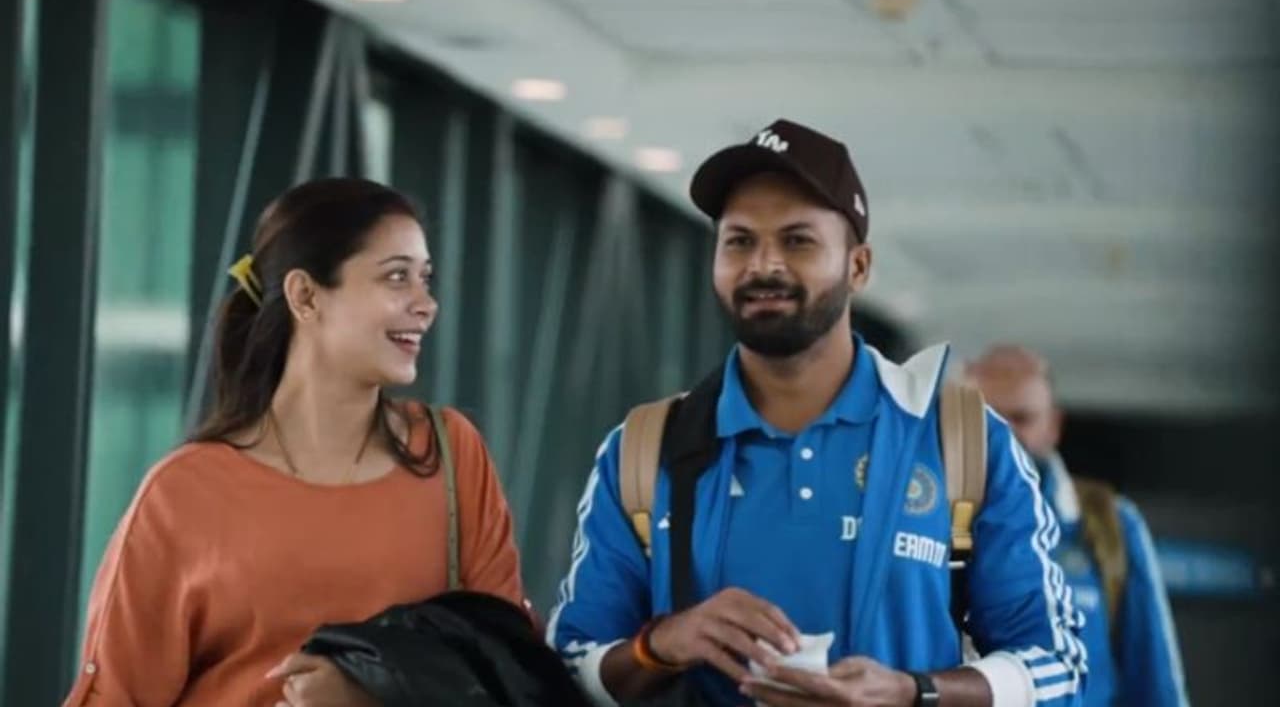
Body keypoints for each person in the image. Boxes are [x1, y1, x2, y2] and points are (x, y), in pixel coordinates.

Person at [546, 119, 1087, 707]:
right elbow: (568, 667)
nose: (764, 265)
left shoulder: (962, 441)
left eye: (797, 240)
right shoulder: (644, 449)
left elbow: (1056, 664)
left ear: (858, 267)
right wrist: (663, 645)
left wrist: (913, 693)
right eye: (739, 241)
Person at [63, 178, 525, 707]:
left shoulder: (450, 455)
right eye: (397, 277)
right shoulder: (183, 494)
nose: (427, 305)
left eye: (425, 278)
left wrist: (370, 693)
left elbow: (510, 667)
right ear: (305, 296)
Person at [966, 345, 1189, 707]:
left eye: (1021, 418)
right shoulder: (925, 519)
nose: (1003, 434)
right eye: (987, 417)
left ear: (1053, 426)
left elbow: (1155, 684)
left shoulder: (1110, 525)